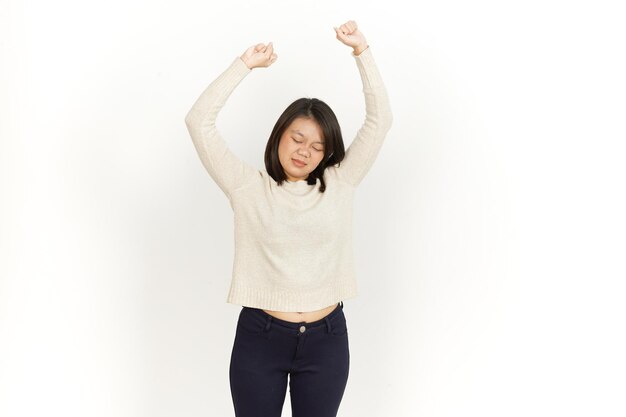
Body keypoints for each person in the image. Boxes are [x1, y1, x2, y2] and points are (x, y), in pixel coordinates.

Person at [185, 19, 392, 417]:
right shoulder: (247, 187)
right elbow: (198, 122)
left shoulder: (341, 182)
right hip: (260, 339)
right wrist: (242, 66)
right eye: (297, 139)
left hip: (327, 340)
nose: (304, 152)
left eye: (317, 146)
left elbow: (380, 121)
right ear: (279, 135)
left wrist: (362, 52)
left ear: (327, 154)